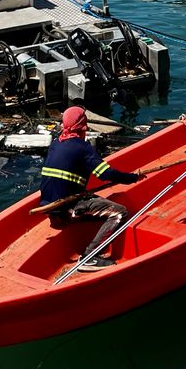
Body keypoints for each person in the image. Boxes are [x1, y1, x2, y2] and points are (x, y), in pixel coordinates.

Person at [39, 105, 142, 271]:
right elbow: (105, 174)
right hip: (67, 206)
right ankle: (90, 257)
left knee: (96, 205)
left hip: (48, 207)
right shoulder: (82, 147)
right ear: (83, 127)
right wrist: (132, 178)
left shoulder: (56, 144)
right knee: (120, 212)